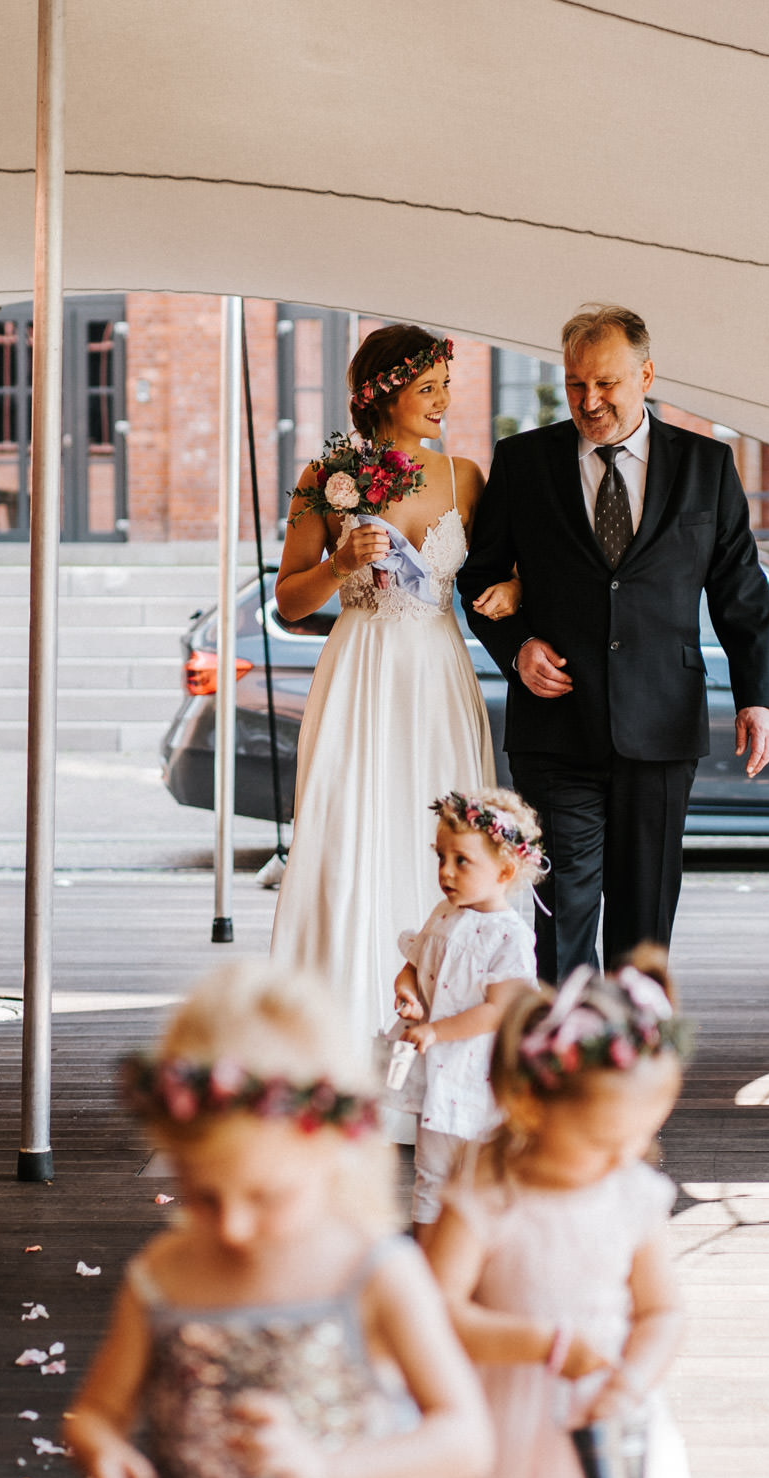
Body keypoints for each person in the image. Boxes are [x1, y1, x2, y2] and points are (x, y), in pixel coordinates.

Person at [64, 958, 494, 1478]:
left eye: (267, 1197)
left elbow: (466, 1440)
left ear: (334, 1152)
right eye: (203, 1197)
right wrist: (100, 1445)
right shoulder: (163, 1276)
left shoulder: (375, 1272)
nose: (233, 1227)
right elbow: (96, 1414)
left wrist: (329, 1473)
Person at [458, 302, 769, 980]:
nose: (590, 399)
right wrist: (516, 646)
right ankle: (562, 1065)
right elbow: (481, 576)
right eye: (577, 383)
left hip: (661, 724)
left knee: (644, 915)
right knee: (562, 906)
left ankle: (632, 1061)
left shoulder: (707, 467)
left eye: (606, 383)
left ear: (647, 375)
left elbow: (739, 592)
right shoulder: (523, 462)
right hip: (556, 725)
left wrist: (759, 697)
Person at [271, 324, 519, 1053]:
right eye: (428, 388)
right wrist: (338, 562)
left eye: (446, 385)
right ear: (384, 393)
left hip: (436, 675)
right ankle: (336, 1043)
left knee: (441, 838)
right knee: (346, 837)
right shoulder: (329, 476)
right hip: (358, 673)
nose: (444, 401)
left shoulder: (464, 477)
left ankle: (446, 1043)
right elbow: (289, 601)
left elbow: (510, 565)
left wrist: (513, 586)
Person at [426, 952, 694, 1478]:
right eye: (605, 1142)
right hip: (504, 1413)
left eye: (642, 1138)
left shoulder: (631, 1195)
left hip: (604, 1412)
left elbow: (662, 1311)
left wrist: (632, 1382)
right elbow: (436, 1312)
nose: (627, 1157)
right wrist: (543, 1344)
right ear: (531, 1108)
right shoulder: (489, 1192)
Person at [389, 787, 544, 1245]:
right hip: (437, 1071)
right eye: (441, 858)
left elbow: (499, 1011)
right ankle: (427, 1256)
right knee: (431, 1171)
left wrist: (437, 1030)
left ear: (505, 870)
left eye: (461, 862)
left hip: (480, 1074)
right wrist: (409, 996)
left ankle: (483, 1254)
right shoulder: (443, 914)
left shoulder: (508, 938)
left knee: (483, 1170)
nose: (445, 872)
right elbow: (412, 967)